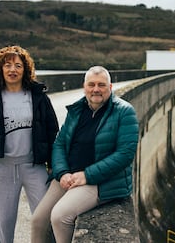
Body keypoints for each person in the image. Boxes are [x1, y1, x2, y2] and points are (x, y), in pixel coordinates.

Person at [31, 66, 139, 243]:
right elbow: (59, 143)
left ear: (110, 88)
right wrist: (62, 172)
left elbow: (125, 154)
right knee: (38, 221)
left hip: (101, 181)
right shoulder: (78, 110)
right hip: (69, 175)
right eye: (92, 84)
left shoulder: (124, 112)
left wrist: (87, 176)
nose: (96, 89)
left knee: (60, 216)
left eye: (101, 85)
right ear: (84, 87)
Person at [0, 45, 59, 243]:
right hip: (2, 167)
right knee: (4, 222)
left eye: (18, 66)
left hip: (34, 166)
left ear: (25, 70)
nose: (12, 70)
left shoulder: (38, 97)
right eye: (8, 65)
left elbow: (53, 132)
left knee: (46, 217)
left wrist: (54, 164)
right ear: (0, 69)